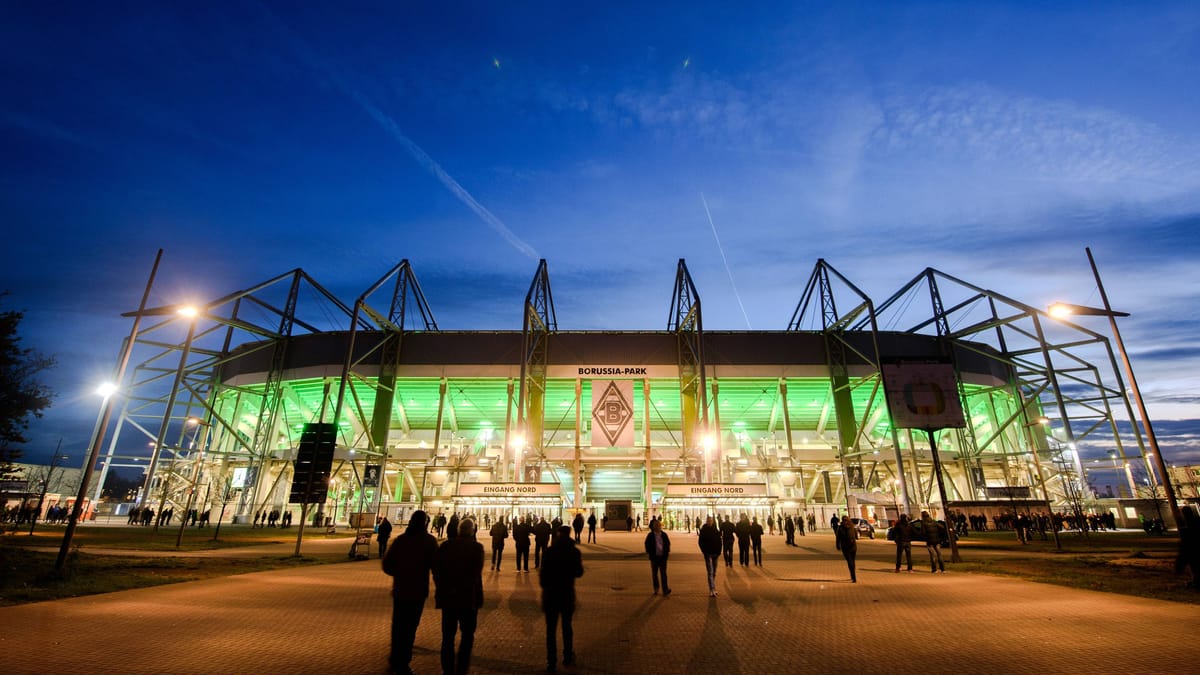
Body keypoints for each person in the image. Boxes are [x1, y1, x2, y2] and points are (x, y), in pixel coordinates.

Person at [382, 510, 438, 675]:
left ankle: (395, 660)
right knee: (410, 627)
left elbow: (387, 565)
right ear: (425, 523)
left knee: (398, 625)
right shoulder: (429, 542)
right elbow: (437, 567)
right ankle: (403, 663)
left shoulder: (401, 540)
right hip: (418, 591)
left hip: (400, 590)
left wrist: (400, 573)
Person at [434, 518, 485, 675]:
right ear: (472, 531)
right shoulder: (477, 548)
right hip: (468, 597)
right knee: (467, 635)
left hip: (449, 597)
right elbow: (476, 574)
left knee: (448, 636)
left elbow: (437, 571)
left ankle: (447, 669)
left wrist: (443, 588)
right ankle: (462, 668)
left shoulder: (446, 546)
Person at [540, 526, 583, 671]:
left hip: (551, 595)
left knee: (550, 631)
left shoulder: (549, 552)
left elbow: (542, 578)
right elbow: (579, 572)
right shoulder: (574, 552)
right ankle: (567, 656)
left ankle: (551, 661)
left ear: (557, 535)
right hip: (566, 594)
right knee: (567, 627)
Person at [644, 517, 672, 596]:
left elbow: (667, 544)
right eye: (656, 526)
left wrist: (666, 554)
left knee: (663, 574)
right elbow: (647, 544)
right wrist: (650, 553)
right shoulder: (650, 535)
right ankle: (656, 588)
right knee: (655, 574)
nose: (658, 527)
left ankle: (665, 589)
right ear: (654, 527)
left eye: (659, 526)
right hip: (654, 557)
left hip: (662, 557)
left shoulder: (664, 535)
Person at [697, 515, 722, 597]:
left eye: (711, 520)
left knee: (714, 572)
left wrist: (719, 551)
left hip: (716, 553)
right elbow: (700, 542)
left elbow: (719, 541)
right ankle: (711, 589)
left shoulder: (715, 529)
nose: (710, 522)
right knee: (710, 572)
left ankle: (713, 587)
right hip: (708, 554)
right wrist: (704, 551)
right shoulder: (703, 530)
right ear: (706, 521)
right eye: (709, 520)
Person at [1176, 508, 1200, 590]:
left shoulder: (1187, 528)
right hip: (1194, 551)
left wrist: (1179, 566)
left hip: (1193, 552)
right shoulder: (1196, 522)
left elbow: (1185, 547)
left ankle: (1196, 582)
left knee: (1195, 567)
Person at [835, 515, 858, 583]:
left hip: (845, 547)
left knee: (849, 561)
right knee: (853, 561)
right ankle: (853, 575)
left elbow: (838, 537)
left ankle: (853, 576)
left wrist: (837, 545)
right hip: (853, 546)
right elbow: (856, 535)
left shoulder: (840, 527)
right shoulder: (852, 526)